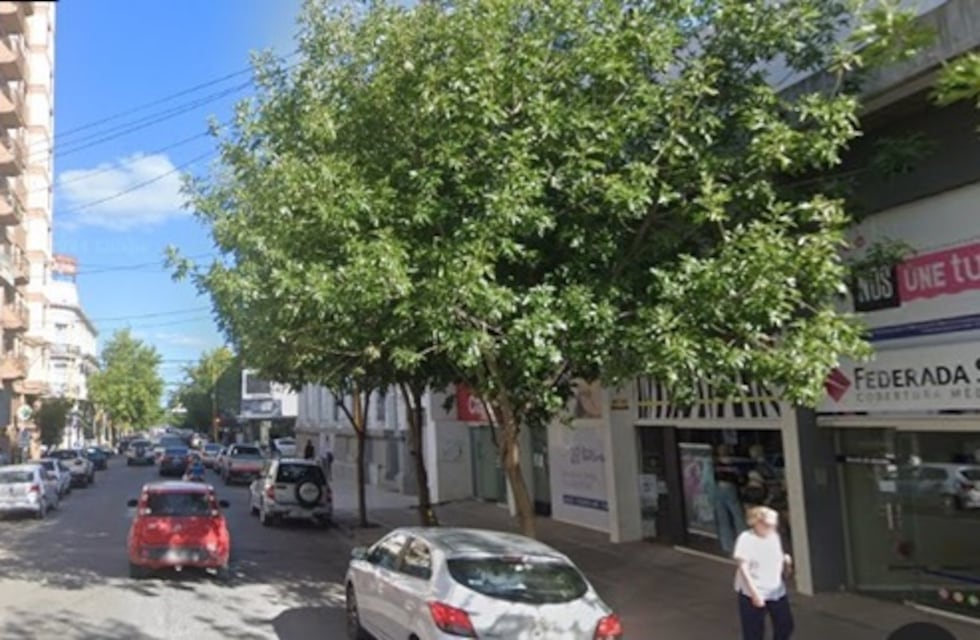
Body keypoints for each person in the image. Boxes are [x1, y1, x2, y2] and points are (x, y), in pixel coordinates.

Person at [734, 506, 794, 640]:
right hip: (752, 592)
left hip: (776, 591)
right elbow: (744, 568)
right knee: (754, 632)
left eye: (774, 525)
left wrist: (786, 564)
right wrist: (755, 593)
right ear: (757, 523)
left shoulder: (774, 537)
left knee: (785, 625)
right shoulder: (746, 539)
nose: (772, 528)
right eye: (768, 525)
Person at [714, 443, 746, 554]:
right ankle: (744, 544)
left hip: (718, 488)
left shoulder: (715, 463)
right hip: (730, 488)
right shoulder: (733, 463)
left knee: (723, 518)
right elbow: (739, 477)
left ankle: (727, 546)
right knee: (738, 516)